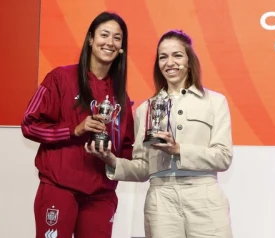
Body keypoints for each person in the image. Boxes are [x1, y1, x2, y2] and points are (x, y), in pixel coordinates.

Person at [85, 30, 233, 238]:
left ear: (189, 61)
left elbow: (223, 157)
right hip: (161, 199)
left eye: (177, 55)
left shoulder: (215, 102)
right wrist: (112, 161)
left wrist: (179, 150)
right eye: (163, 57)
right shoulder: (145, 109)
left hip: (205, 195)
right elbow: (143, 168)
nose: (169, 62)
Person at [21, 11, 134, 238]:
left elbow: (127, 149)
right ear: (91, 39)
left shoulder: (121, 96)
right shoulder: (60, 78)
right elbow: (29, 124)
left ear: (121, 47)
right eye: (104, 35)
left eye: (117, 38)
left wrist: (113, 160)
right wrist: (74, 129)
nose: (109, 43)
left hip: (101, 195)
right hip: (59, 188)